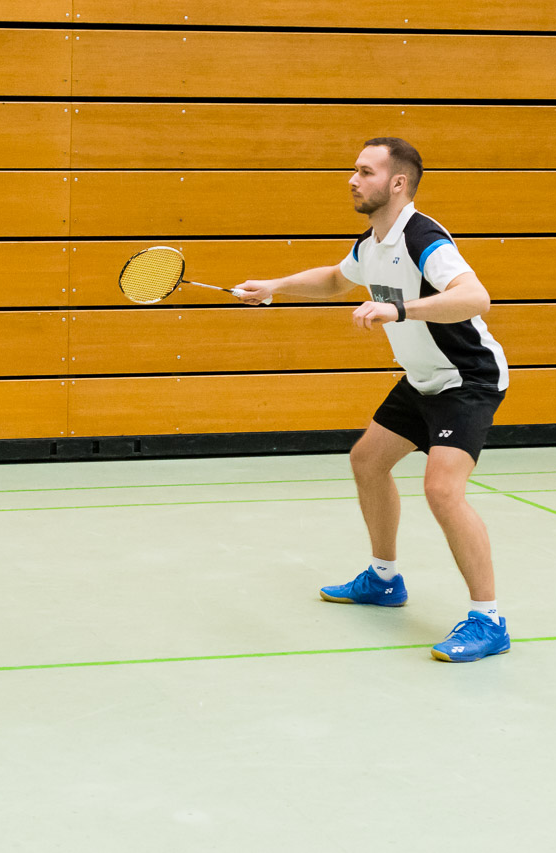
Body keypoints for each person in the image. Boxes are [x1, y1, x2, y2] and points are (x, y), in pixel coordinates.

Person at [233, 137, 511, 663]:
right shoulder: (373, 243)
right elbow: (336, 279)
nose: (352, 179)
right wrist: (273, 285)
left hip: (466, 379)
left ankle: (489, 619)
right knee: (367, 461)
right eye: (354, 170)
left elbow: (476, 297)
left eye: (365, 171)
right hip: (422, 378)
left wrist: (399, 310)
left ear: (397, 183)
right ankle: (384, 579)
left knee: (442, 490)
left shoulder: (423, 237)